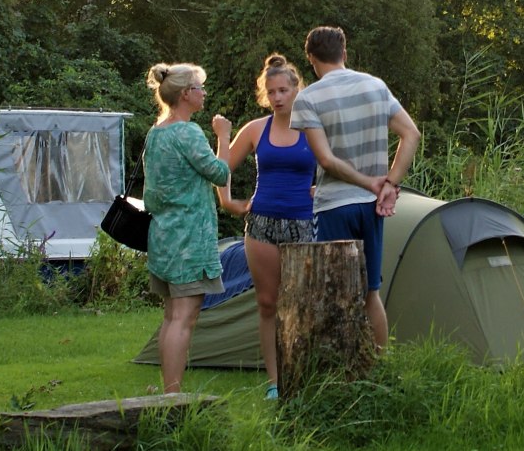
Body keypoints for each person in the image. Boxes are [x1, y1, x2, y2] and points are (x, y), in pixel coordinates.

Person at [289, 26, 421, 349]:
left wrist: (369, 182)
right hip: (370, 207)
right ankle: (380, 367)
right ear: (344, 53)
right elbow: (412, 134)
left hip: (334, 205)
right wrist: (389, 184)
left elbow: (326, 160)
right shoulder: (375, 86)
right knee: (370, 293)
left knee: (332, 294)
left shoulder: (308, 98)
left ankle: (337, 373)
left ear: (311, 59)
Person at [211, 54, 315, 400]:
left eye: (284, 90)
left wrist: (323, 188)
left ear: (297, 88)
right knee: (267, 303)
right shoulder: (257, 129)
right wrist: (228, 201)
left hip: (303, 223)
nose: (278, 97)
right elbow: (221, 168)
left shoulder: (315, 127)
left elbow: (336, 165)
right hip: (262, 224)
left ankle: (302, 373)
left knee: (301, 304)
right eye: (271, 92)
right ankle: (274, 382)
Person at [143, 62, 231, 394]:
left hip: (164, 235)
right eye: (199, 88)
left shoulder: (156, 132)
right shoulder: (187, 132)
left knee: (171, 316)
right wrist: (224, 136)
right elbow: (220, 174)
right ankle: (173, 394)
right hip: (189, 239)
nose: (204, 93)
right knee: (184, 317)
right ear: (185, 95)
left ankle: (169, 388)